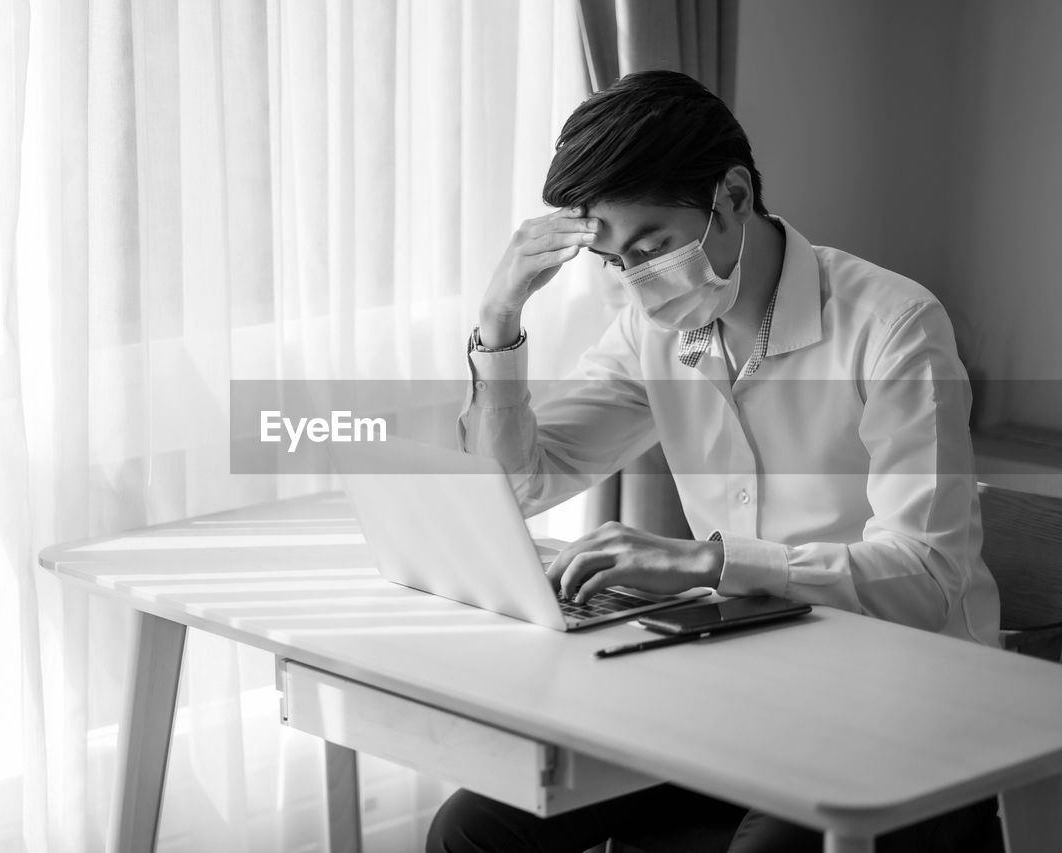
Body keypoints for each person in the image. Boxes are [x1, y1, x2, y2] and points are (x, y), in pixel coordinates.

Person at [429, 70, 1004, 853]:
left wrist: (707, 560)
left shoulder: (894, 324)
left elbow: (927, 578)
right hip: (738, 687)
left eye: (652, 246)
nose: (634, 281)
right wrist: (499, 320)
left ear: (732, 196)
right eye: (613, 260)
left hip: (911, 709)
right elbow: (521, 485)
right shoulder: (651, 333)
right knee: (473, 827)